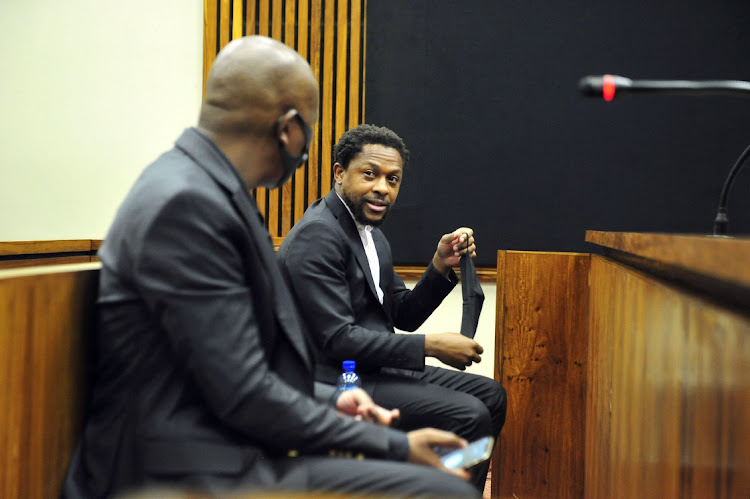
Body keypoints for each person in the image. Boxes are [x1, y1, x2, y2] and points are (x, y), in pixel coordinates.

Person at [62, 36, 480, 499]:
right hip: (173, 473)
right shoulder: (187, 206)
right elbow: (243, 393)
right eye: (311, 130)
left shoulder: (203, 190)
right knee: (446, 491)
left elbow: (234, 371)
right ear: (289, 129)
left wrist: (335, 400)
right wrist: (391, 444)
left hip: (224, 443)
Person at [277, 124, 507, 491]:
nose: (382, 188)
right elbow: (338, 340)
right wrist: (431, 346)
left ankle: (448, 488)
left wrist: (439, 266)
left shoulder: (372, 235)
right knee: (470, 414)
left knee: (492, 397)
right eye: (370, 174)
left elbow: (402, 313)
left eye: (393, 179)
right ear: (340, 173)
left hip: (374, 368)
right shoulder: (317, 236)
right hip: (335, 378)